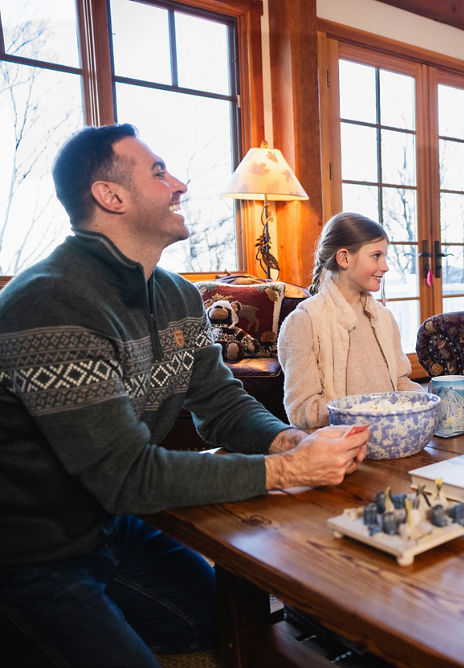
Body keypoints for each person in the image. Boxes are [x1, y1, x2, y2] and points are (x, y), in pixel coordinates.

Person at [0, 124, 370, 666]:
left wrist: (287, 440)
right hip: (26, 555)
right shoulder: (49, 302)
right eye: (158, 172)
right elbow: (128, 475)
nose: (179, 184)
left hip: (109, 528)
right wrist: (289, 472)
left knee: (234, 621)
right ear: (111, 196)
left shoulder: (175, 295)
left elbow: (221, 405)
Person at [278, 212, 421, 430]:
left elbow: (401, 383)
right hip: (340, 451)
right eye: (376, 256)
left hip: (392, 440)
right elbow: (301, 410)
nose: (385, 266)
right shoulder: (304, 322)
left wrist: (426, 401)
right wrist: (366, 414)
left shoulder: (385, 319)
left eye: (385, 256)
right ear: (344, 258)